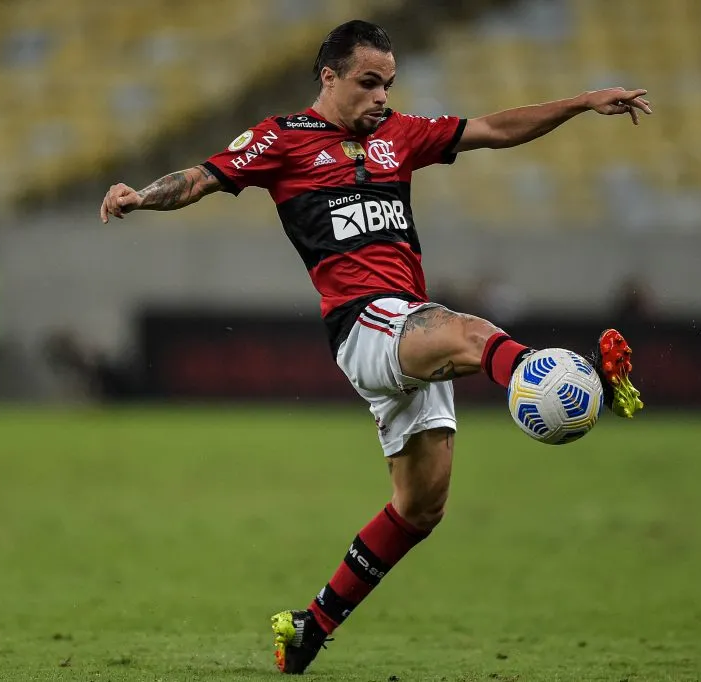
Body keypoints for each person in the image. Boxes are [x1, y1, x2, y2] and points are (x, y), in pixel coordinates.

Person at [99, 20, 648, 674]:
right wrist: (140, 197)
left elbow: (496, 130)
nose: (381, 96)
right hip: (364, 325)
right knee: (470, 331)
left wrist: (582, 103)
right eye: (368, 82)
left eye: (388, 84)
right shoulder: (284, 139)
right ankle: (577, 376)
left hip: (408, 323)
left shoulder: (399, 137)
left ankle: (309, 628)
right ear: (328, 76)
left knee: (420, 508)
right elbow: (204, 176)